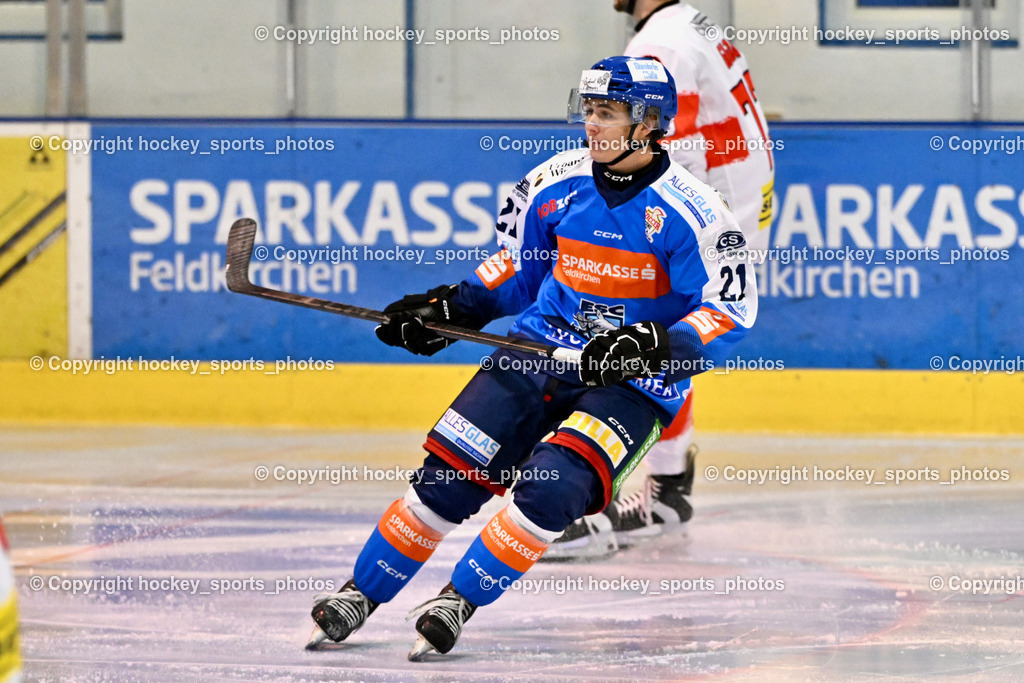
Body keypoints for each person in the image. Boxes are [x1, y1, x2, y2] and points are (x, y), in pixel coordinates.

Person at [306, 56, 757, 661]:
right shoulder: (552, 183)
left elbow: (730, 310)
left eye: (610, 114)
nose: (594, 126)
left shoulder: (695, 212)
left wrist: (651, 344)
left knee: (555, 489)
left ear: (648, 123)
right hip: (535, 351)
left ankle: (457, 601)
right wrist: (452, 309)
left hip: (631, 384)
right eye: (590, 112)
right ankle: (361, 593)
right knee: (446, 482)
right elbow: (518, 270)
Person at [548, 0, 776, 558]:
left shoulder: (660, 46)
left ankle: (604, 495)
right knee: (660, 335)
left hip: (712, 209)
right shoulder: (688, 21)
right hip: (740, 199)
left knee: (628, 329)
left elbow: (658, 146)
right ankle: (667, 485)